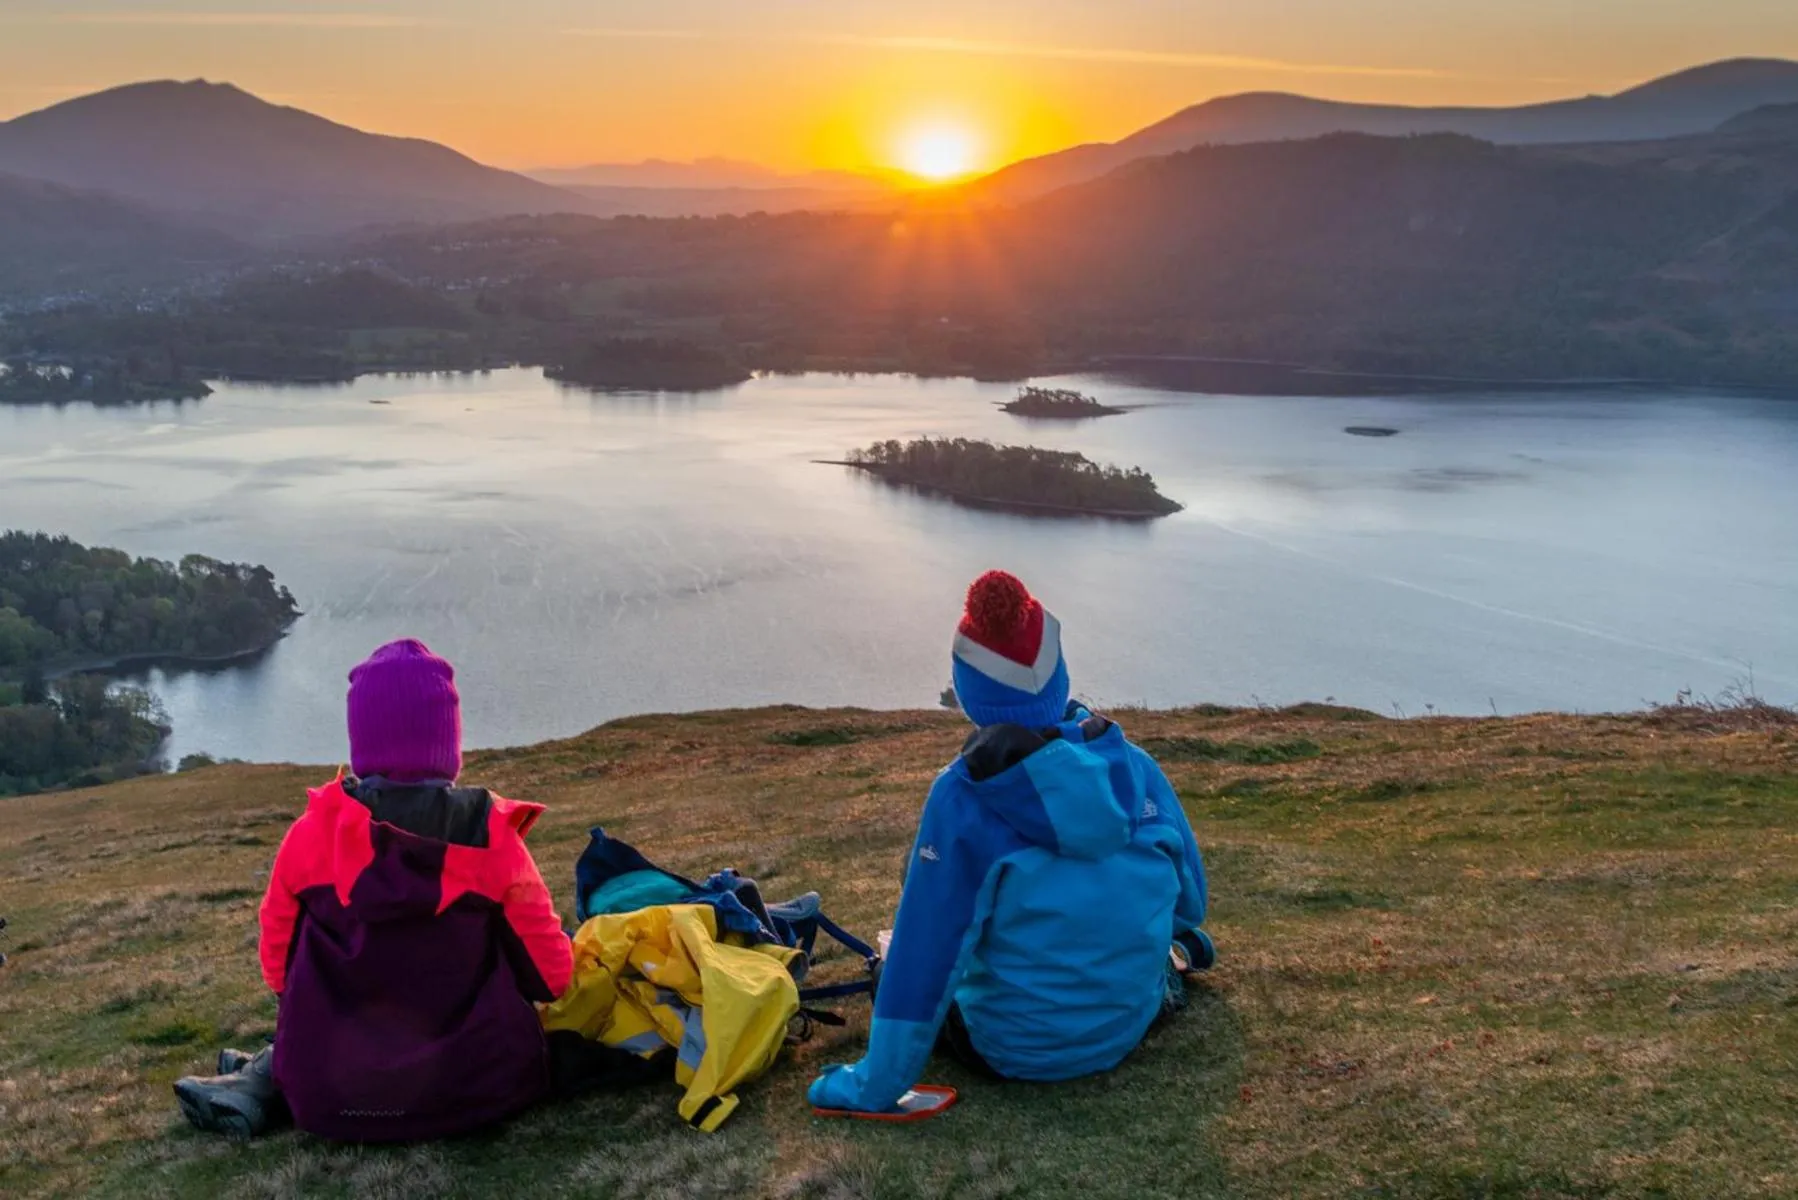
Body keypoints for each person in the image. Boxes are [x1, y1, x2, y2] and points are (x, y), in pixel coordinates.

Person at [808, 571, 1211, 1114]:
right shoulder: (1138, 769)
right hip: (1127, 1028)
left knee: (888, 972)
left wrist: (869, 1089)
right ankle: (1175, 963)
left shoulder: (962, 799)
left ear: (971, 695)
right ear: (1059, 677)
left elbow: (924, 963)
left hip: (1011, 1050)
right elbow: (1190, 905)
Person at [174, 639, 579, 1141]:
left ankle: (262, 1074)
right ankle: (256, 1075)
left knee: (305, 1035)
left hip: (332, 1101)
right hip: (482, 1090)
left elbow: (279, 975)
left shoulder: (310, 837)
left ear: (361, 740)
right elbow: (552, 979)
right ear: (447, 743)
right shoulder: (491, 840)